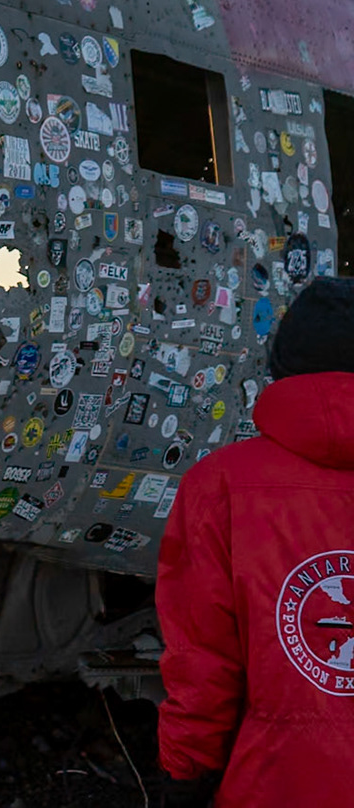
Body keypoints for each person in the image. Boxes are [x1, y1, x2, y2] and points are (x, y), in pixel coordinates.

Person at [156, 275, 354, 807]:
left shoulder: (220, 485)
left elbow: (202, 661)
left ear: (281, 366)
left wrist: (185, 773)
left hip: (272, 784)